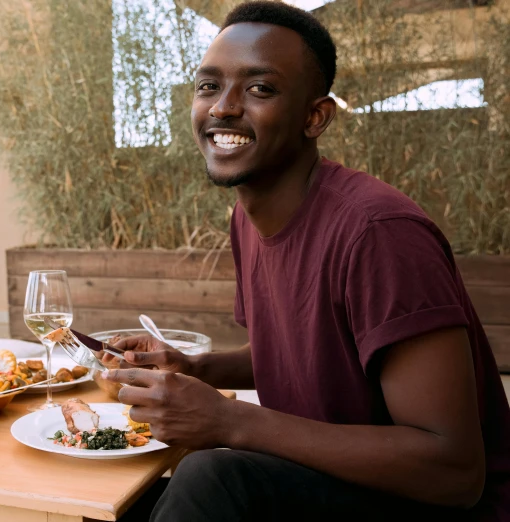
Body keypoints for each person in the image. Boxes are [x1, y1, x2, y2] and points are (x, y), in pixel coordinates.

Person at [100, 2, 510, 521]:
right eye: (208, 86)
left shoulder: (378, 235)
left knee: (210, 477)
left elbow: (453, 472)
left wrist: (230, 420)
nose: (223, 108)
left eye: (259, 89)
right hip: (330, 478)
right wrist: (196, 368)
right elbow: (303, 345)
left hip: (428, 504)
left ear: (315, 117)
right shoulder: (248, 220)